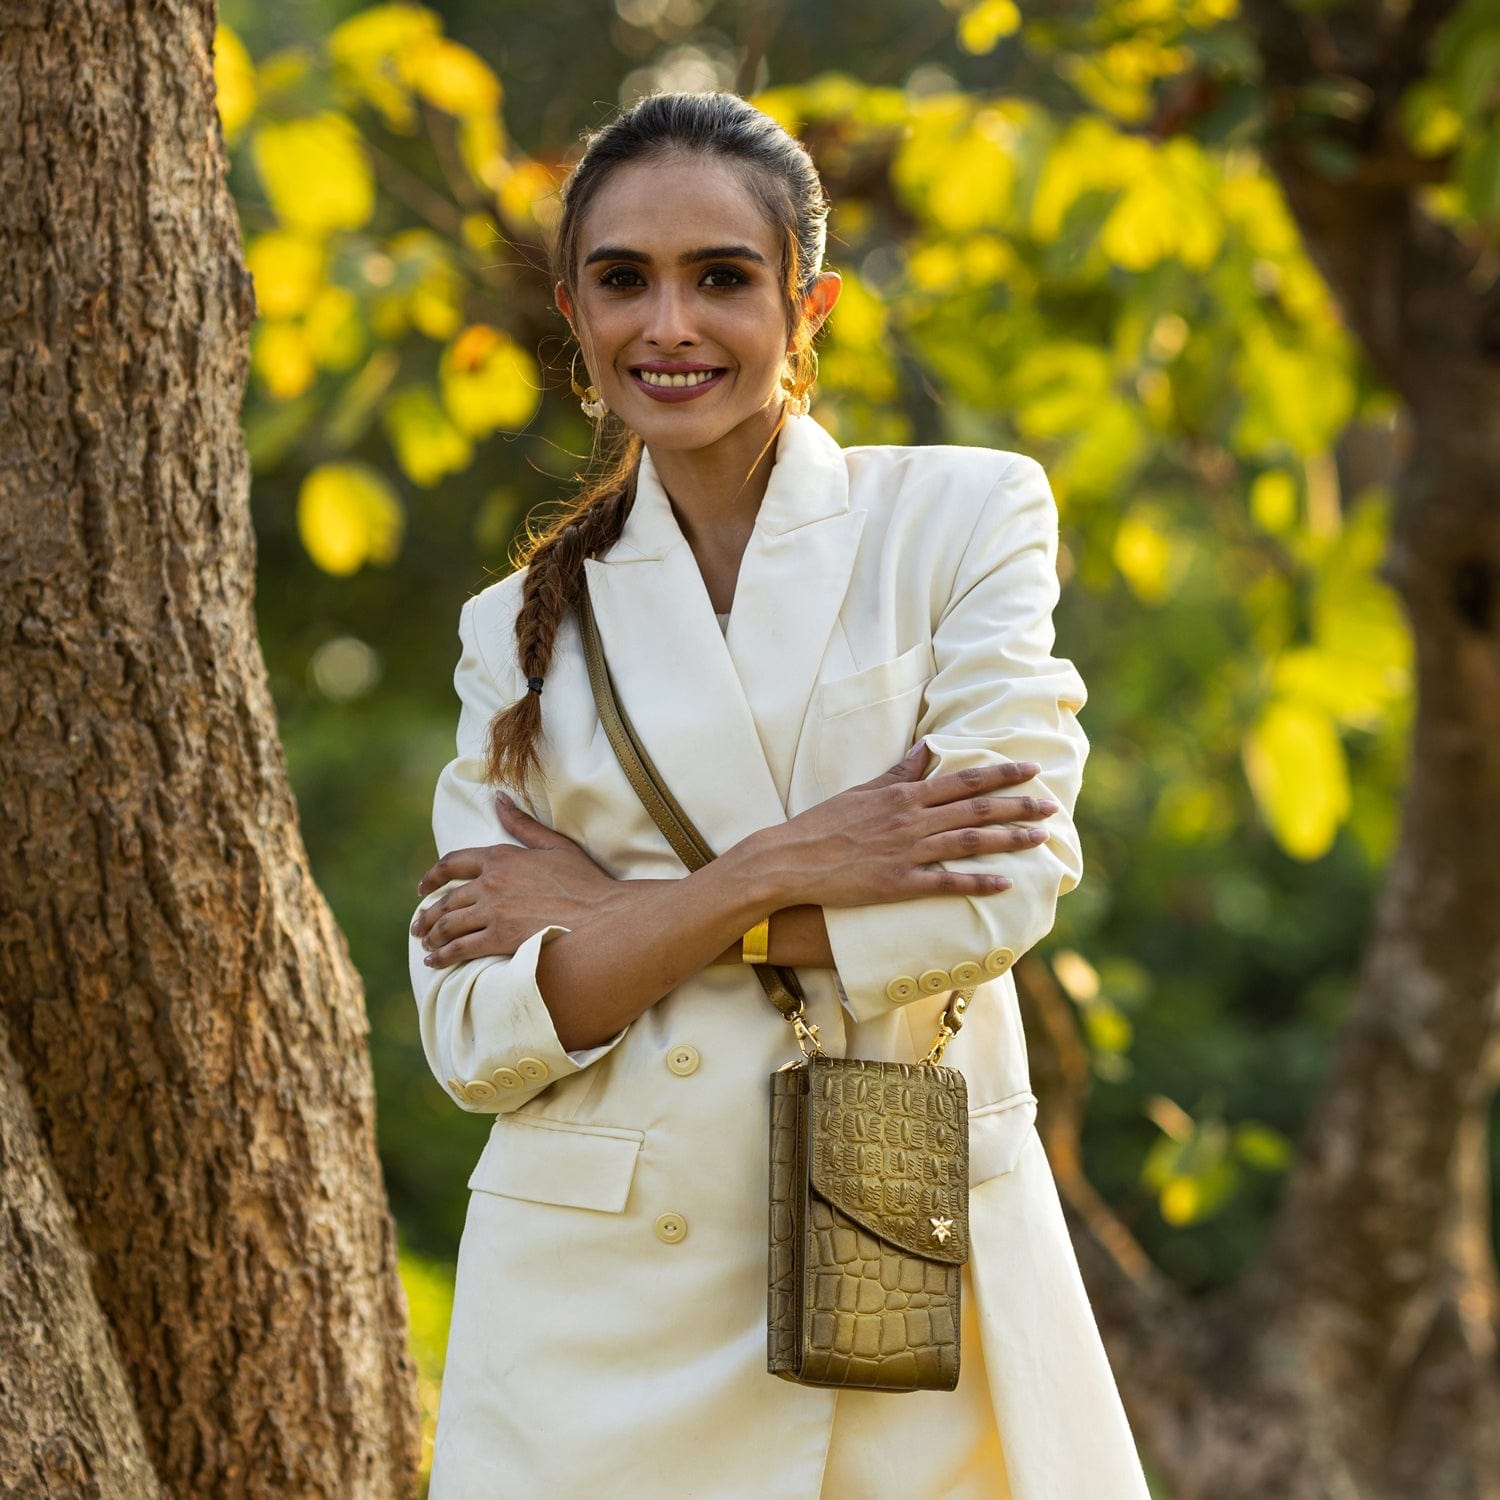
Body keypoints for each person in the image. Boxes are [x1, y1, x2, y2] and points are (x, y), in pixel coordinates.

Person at [407, 89, 1150, 1500]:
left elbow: (999, 888)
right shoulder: (512, 629)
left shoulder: (961, 519)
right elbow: (476, 1032)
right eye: (624, 280)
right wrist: (775, 873)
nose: (668, 325)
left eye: (722, 279)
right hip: (594, 1325)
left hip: (894, 1279)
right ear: (574, 310)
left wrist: (626, 921)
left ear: (806, 307)